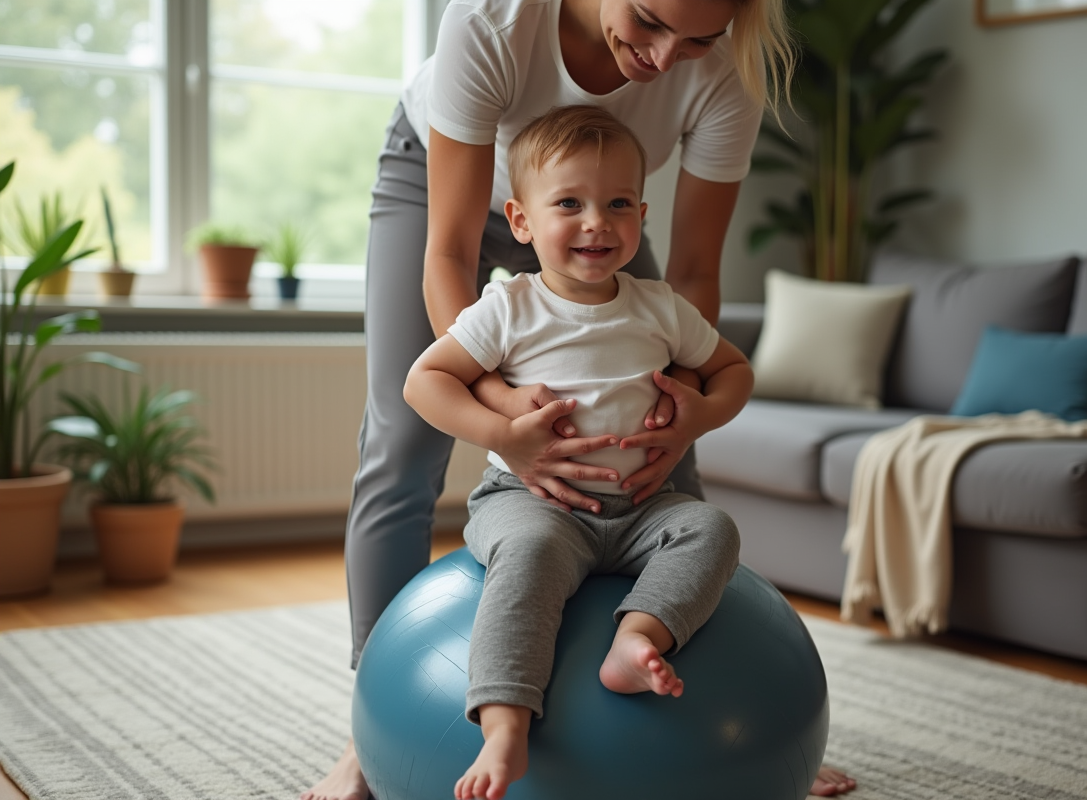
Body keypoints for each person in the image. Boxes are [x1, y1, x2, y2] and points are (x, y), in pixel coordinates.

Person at [302, 0, 857, 797]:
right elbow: (454, 254)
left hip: (599, 212)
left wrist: (681, 410)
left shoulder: (724, 74)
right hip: (446, 192)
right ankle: (371, 727)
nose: (666, 58)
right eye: (649, 20)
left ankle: (745, 725)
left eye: (698, 38)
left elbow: (694, 277)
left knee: (655, 414)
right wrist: (506, 417)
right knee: (403, 436)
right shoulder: (496, 23)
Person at [405, 104, 749, 799]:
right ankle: (504, 727)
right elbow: (426, 380)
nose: (597, 221)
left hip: (644, 508)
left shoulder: (661, 307)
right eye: (570, 203)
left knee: (712, 528)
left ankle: (637, 638)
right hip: (531, 504)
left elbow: (734, 371)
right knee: (527, 560)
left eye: (618, 203)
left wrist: (699, 417)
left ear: (642, 215)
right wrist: (501, 434)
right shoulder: (507, 307)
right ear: (522, 220)